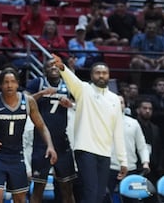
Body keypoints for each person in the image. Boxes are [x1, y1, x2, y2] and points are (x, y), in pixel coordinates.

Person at [51, 56, 127, 203]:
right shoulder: (84, 89)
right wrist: (63, 68)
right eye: (98, 73)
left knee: (99, 195)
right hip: (85, 150)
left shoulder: (115, 99)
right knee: (90, 193)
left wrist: (123, 160)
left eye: (104, 73)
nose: (101, 76)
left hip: (105, 153)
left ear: (109, 76)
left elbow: (118, 131)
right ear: (91, 75)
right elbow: (73, 81)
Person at [0, 69, 57, 203]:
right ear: (0, 85)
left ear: (18, 84)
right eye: (6, 82)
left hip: (17, 156)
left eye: (13, 82)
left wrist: (50, 146)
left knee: (20, 199)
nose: (9, 85)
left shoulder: (28, 101)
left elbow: (42, 126)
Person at [25, 60, 77, 203]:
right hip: (41, 141)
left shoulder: (68, 84)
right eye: (49, 65)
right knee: (38, 188)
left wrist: (70, 104)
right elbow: (23, 101)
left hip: (61, 140)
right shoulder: (38, 83)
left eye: (56, 65)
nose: (53, 67)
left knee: (67, 188)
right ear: (44, 69)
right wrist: (41, 93)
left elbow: (80, 104)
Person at [108, 96, 150, 203]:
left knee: (132, 200)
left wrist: (145, 162)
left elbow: (142, 146)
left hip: (130, 169)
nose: (118, 104)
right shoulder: (103, 122)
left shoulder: (133, 123)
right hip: (109, 168)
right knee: (107, 199)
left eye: (121, 102)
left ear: (125, 105)